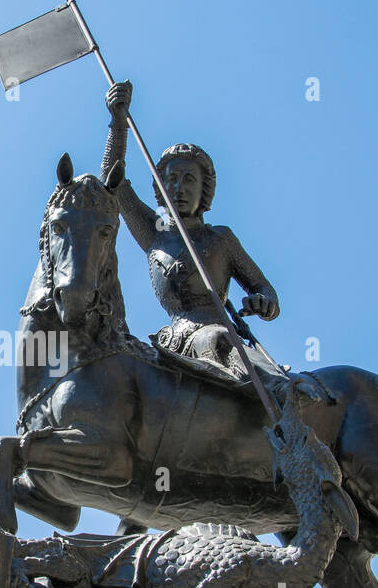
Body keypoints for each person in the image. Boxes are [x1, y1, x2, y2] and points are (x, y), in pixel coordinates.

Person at [102, 80, 290, 396]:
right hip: (170, 342)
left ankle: (287, 402)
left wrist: (264, 302)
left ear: (204, 190)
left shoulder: (221, 240)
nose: (179, 187)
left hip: (215, 336)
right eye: (171, 179)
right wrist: (118, 123)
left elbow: (264, 288)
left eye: (189, 179)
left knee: (220, 346)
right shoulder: (154, 234)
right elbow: (114, 183)